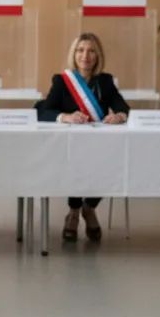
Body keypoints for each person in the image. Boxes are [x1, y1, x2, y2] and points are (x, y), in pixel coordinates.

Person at [36, 32, 130, 242]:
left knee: (112, 164)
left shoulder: (105, 81)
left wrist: (119, 116)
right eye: (80, 50)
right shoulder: (62, 80)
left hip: (100, 145)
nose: (85, 55)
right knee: (77, 163)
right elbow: (43, 111)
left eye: (91, 51)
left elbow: (124, 108)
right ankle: (74, 211)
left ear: (98, 56)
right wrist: (65, 116)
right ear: (74, 54)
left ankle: (89, 208)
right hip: (69, 146)